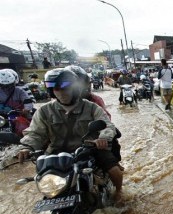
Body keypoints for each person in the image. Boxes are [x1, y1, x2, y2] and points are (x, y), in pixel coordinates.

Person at [17, 68, 123, 197]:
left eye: (65, 87)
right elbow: (35, 133)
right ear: (51, 91)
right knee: (45, 181)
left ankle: (119, 194)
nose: (61, 92)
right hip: (57, 154)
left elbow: (107, 125)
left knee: (114, 170)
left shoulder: (91, 107)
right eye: (56, 88)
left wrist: (103, 138)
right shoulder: (44, 111)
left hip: (90, 149)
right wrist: (26, 147)